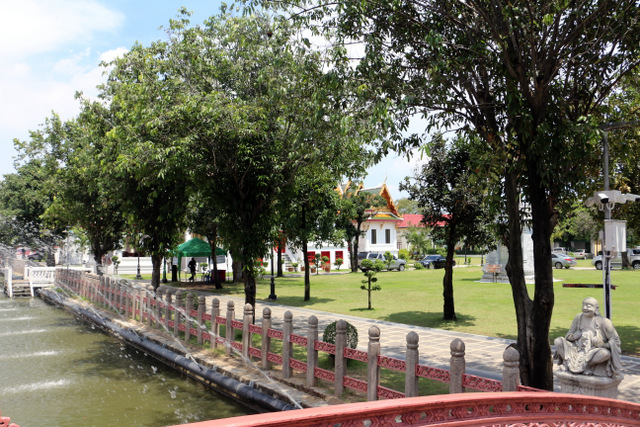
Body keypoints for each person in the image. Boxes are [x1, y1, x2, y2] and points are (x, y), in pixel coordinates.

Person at [553, 297, 622, 377]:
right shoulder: (578, 318)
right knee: (558, 341)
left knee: (605, 354)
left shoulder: (604, 322)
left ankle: (587, 366)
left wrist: (602, 345)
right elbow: (569, 335)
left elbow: (615, 340)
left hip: (593, 350)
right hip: (576, 348)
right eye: (583, 305)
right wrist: (574, 336)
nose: (585, 308)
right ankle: (568, 363)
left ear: (596, 308)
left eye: (588, 306)